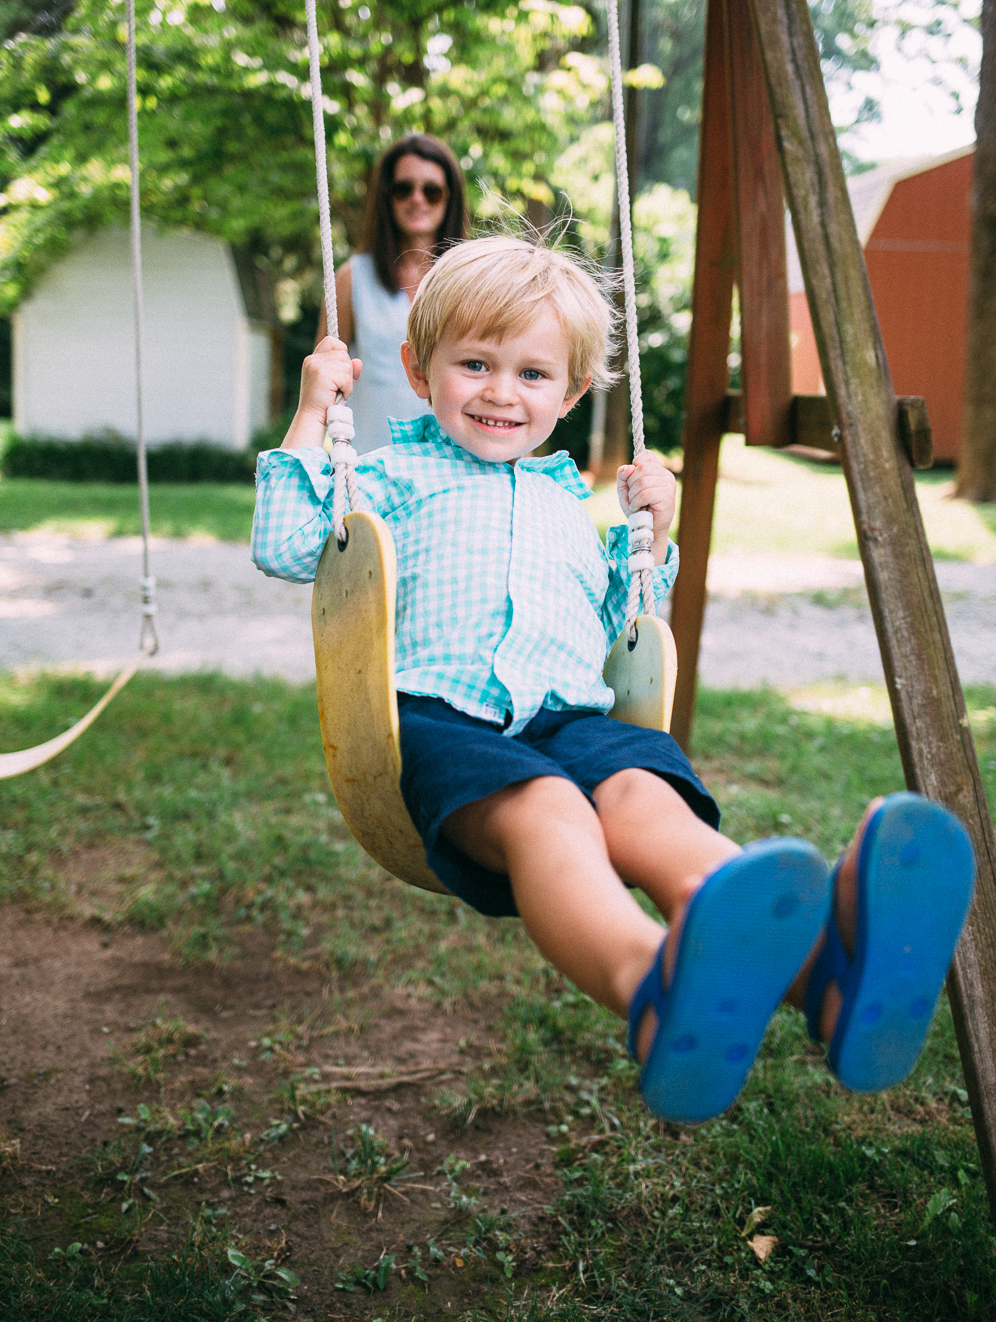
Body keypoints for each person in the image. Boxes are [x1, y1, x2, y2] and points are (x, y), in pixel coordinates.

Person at [252, 235, 975, 1125]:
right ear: (416, 366)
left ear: (573, 392)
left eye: (532, 373)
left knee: (642, 794)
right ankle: (651, 986)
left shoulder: (569, 499)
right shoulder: (390, 472)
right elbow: (289, 544)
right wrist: (309, 413)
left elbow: (615, 626)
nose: (500, 392)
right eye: (474, 363)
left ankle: (831, 975)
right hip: (439, 724)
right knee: (550, 811)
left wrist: (650, 543)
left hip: (569, 716)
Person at [315, 132, 469, 455]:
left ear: (449, 198)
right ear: (387, 197)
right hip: (370, 469)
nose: (417, 199)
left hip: (453, 469)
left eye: (432, 191)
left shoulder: (471, 281)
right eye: (403, 189)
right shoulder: (352, 279)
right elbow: (322, 384)